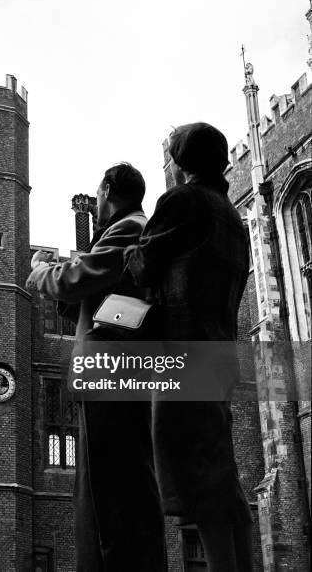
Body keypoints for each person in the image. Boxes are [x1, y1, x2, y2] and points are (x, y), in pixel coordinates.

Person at [124, 122, 253, 572]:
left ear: (180, 164)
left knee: (198, 479)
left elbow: (142, 263)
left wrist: (129, 251)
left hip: (184, 349)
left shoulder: (183, 200)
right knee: (221, 473)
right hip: (220, 353)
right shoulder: (233, 215)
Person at [26, 163, 164, 571]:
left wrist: (39, 272)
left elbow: (75, 278)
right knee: (116, 480)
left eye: (98, 194)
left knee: (107, 488)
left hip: (109, 371)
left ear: (107, 190)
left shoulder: (129, 228)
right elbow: (114, 311)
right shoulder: (138, 230)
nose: (97, 202)